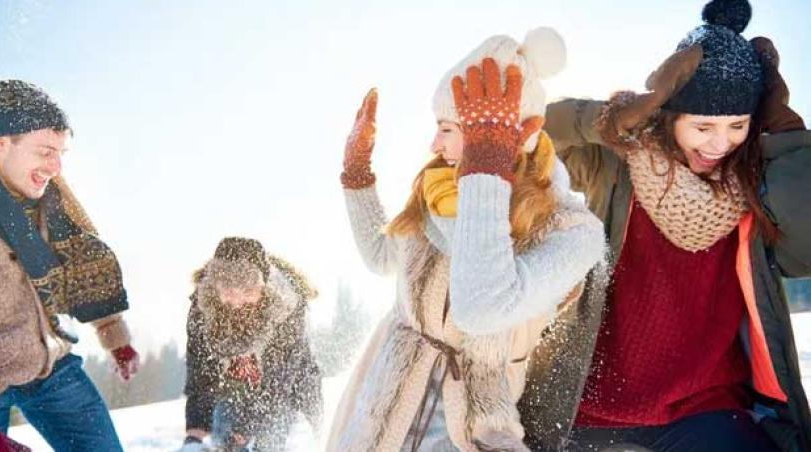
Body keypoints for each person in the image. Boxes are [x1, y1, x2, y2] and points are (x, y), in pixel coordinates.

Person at [526, 1, 811, 450]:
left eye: (737, 125)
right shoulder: (617, 161)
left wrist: (789, 139)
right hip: (588, 408)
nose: (720, 144)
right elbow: (537, 132)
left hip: (707, 409)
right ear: (670, 116)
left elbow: (806, 250)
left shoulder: (755, 183)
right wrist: (606, 121)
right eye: (702, 127)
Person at [327, 28, 606, 452]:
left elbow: (483, 309)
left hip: (470, 430)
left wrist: (485, 172)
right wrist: (357, 177)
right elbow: (383, 258)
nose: (434, 143)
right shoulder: (438, 191)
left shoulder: (571, 231)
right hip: (384, 417)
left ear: (508, 135)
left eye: (447, 128)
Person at [0, 80, 138, 452]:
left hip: (49, 365)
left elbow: (85, 265)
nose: (56, 167)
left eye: (62, 152)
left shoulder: (53, 203)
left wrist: (115, 336)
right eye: (45, 151)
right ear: (3, 143)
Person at [182, 237, 322, 452]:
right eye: (228, 290)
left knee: (271, 442)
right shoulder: (203, 307)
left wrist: (250, 424)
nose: (237, 301)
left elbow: (280, 375)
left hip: (289, 389)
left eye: (247, 291)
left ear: (262, 286)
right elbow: (201, 371)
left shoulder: (285, 303)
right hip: (234, 389)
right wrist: (195, 431)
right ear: (215, 285)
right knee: (224, 440)